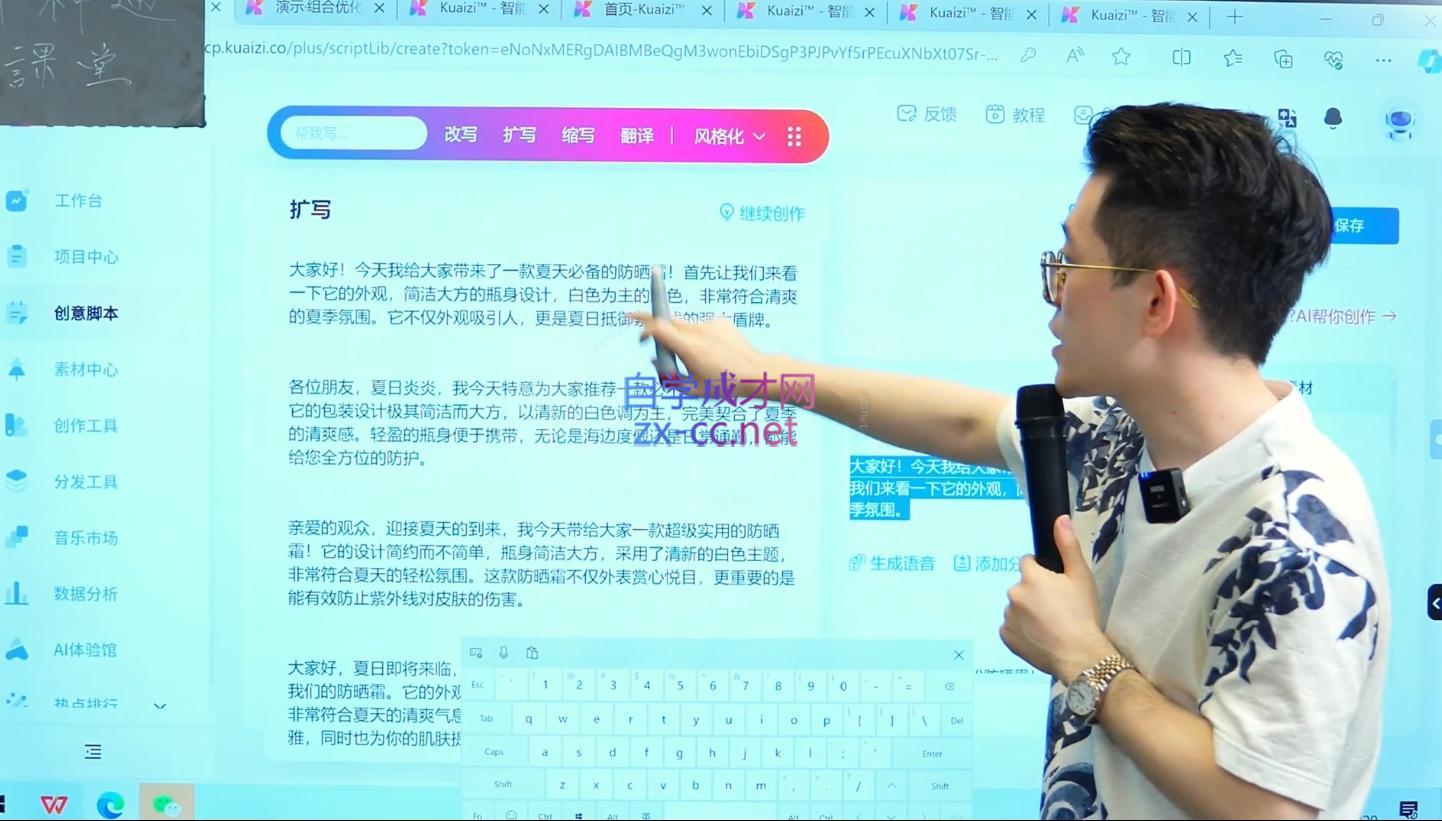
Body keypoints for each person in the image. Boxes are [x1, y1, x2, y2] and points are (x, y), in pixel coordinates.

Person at [629, 102, 1390, 819]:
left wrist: (1084, 657)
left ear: (1157, 303)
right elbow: (963, 421)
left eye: (1072, 266)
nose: (1053, 294)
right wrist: (761, 375)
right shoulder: (1126, 436)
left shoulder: (1296, 536)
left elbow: (1270, 807)